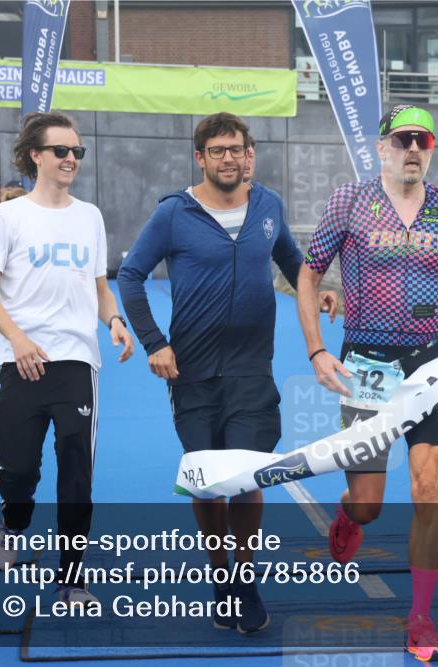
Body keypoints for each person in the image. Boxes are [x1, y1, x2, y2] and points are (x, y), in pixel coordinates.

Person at [118, 112, 336, 634]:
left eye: (235, 148)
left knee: (246, 476)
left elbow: (292, 261)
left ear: (248, 153)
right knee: (207, 485)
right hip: (191, 371)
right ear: (200, 158)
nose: (228, 158)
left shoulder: (268, 205)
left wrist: (317, 290)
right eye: (217, 150)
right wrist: (155, 343)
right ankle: (220, 576)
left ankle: (245, 579)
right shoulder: (174, 213)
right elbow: (130, 275)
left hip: (252, 368)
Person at [296, 104, 438, 662]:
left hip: (430, 364)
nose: (413, 149)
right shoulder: (349, 201)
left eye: (423, 141)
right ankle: (348, 514)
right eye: (403, 139)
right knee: (369, 505)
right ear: (381, 147)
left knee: (428, 487)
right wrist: (316, 350)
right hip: (369, 365)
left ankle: (421, 617)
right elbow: (308, 275)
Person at [0, 111, 134, 606]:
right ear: (36, 156)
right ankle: (14, 522)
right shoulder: (8, 216)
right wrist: (18, 339)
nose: (70, 159)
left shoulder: (90, 216)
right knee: (20, 469)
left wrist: (114, 320)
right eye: (60, 150)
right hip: (19, 360)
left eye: (76, 152)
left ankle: (72, 576)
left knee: (77, 469)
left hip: (76, 361)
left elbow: (100, 288)